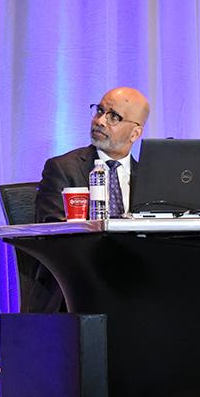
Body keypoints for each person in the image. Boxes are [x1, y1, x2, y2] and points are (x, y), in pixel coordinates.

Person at [27, 86, 150, 312]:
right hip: (76, 289)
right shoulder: (62, 169)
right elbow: (53, 234)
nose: (100, 121)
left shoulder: (150, 178)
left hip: (136, 288)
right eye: (100, 111)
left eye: (114, 116)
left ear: (135, 133)